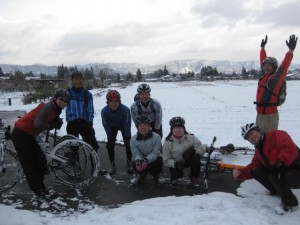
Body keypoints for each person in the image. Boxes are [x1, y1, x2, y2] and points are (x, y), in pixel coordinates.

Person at [11, 89, 70, 197]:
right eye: (61, 99)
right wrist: (52, 125)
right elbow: (37, 124)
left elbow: (47, 121)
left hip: (28, 134)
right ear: (56, 98)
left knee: (40, 160)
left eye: (66, 101)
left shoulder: (56, 109)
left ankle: (40, 186)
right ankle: (38, 190)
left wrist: (56, 122)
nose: (63, 102)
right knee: (29, 164)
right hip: (21, 133)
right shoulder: (48, 106)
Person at [233, 123, 300, 211]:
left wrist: (281, 163)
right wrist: (240, 173)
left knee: (277, 173)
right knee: (256, 170)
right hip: (282, 171)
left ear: (258, 130)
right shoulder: (259, 151)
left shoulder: (275, 135)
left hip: (296, 170)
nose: (251, 137)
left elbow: (288, 147)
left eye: (252, 133)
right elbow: (253, 165)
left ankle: (291, 204)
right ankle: (277, 191)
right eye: (248, 137)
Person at [254, 34, 298, 133]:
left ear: (274, 67)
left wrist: (290, 51)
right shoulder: (264, 76)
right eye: (265, 65)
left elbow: (284, 66)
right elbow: (262, 61)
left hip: (270, 116)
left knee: (269, 141)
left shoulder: (275, 79)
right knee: (259, 140)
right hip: (260, 114)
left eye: (269, 66)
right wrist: (262, 48)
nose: (266, 67)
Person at [162, 116, 207, 188]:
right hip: (176, 163)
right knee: (176, 175)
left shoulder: (191, 137)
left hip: (188, 161)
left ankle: (194, 179)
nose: (178, 130)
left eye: (180, 128)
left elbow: (202, 149)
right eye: (176, 128)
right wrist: (175, 164)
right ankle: (175, 178)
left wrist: (194, 150)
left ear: (184, 128)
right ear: (171, 130)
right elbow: (165, 159)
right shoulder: (167, 142)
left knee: (196, 157)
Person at [101, 89, 133, 175]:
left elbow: (127, 123)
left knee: (128, 144)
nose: (114, 104)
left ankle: (129, 163)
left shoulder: (125, 110)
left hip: (123, 125)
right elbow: (105, 124)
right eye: (111, 101)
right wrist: (110, 136)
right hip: (112, 127)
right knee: (110, 145)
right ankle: (112, 165)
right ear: (107, 102)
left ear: (119, 101)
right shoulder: (104, 111)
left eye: (116, 101)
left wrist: (127, 137)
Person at [130, 114, 164, 185]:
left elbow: (156, 152)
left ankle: (156, 176)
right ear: (137, 127)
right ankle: (141, 175)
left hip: (153, 159)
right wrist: (139, 159)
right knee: (134, 162)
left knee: (158, 161)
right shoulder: (133, 139)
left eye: (145, 125)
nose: (143, 127)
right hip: (142, 159)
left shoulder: (157, 137)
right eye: (140, 125)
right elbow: (135, 153)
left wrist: (147, 160)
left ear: (149, 126)